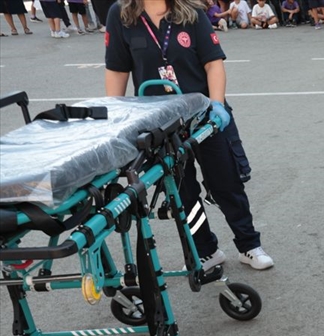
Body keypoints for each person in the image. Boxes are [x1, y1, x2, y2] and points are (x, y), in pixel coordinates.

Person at [105, 0, 276, 272]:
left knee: (227, 185)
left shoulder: (191, 12)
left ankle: (249, 245)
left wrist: (216, 105)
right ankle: (206, 250)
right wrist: (114, 119)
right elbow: (117, 69)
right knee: (184, 195)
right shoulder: (121, 14)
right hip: (161, 126)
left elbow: (213, 64)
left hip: (204, 117)